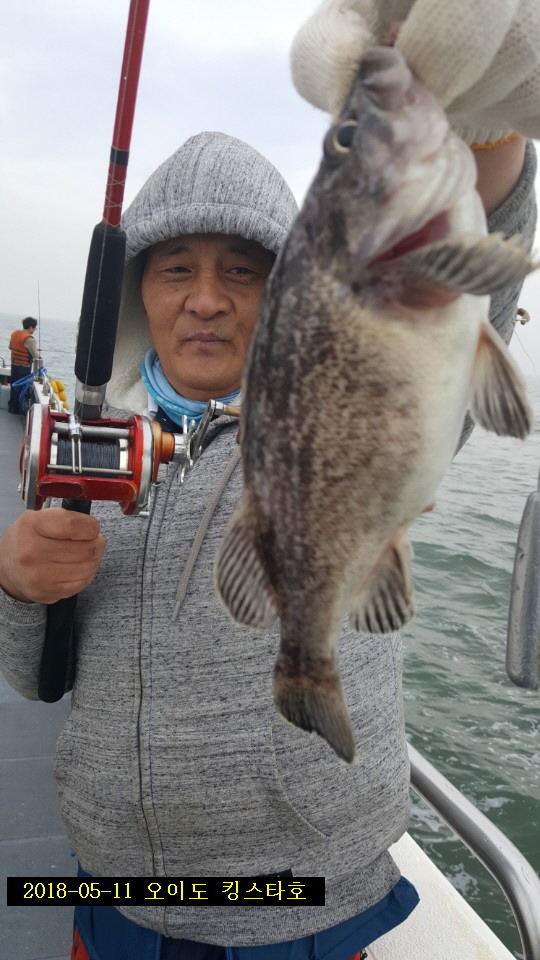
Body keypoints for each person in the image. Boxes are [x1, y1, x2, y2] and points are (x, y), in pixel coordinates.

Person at [0, 3, 538, 958]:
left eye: (244, 272)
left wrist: (483, 124)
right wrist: (17, 588)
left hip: (309, 898)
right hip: (119, 886)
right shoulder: (88, 441)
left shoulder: (357, 386)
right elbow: (34, 680)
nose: (206, 300)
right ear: (140, 289)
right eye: (177, 268)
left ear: (291, 286)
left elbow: (471, 259)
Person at [8, 316, 39, 414]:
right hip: (24, 367)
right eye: (34, 328)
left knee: (13, 386)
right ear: (30, 327)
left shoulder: (14, 334)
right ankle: (17, 409)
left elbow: (10, 347)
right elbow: (35, 355)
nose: (34, 330)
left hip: (14, 364)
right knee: (21, 388)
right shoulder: (29, 339)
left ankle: (11, 407)